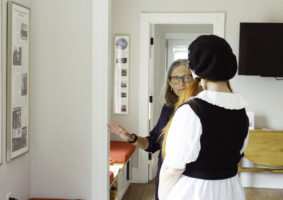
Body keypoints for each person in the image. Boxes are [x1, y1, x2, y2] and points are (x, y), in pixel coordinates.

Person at [158, 35, 250, 200]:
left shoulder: (191, 111)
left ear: (194, 71)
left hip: (194, 193)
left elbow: (172, 169)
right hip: (231, 191)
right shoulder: (241, 111)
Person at [107, 59, 195, 200]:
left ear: (194, 80)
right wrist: (130, 137)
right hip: (167, 176)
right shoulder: (168, 109)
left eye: (186, 77)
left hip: (192, 178)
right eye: (176, 79)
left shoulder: (201, 109)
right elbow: (154, 143)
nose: (181, 83)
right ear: (170, 83)